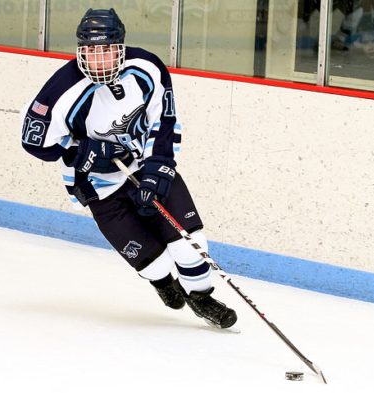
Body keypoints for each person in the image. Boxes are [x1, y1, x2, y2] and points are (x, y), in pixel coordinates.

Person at [20, 8, 237, 329]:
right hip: (98, 186)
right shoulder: (60, 91)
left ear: (120, 47)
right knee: (147, 257)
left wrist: (159, 167)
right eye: (92, 51)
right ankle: (163, 283)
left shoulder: (146, 67)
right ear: (80, 51)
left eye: (107, 50)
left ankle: (202, 297)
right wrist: (86, 150)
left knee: (189, 242)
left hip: (144, 164)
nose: (100, 59)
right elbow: (34, 142)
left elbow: (163, 120)